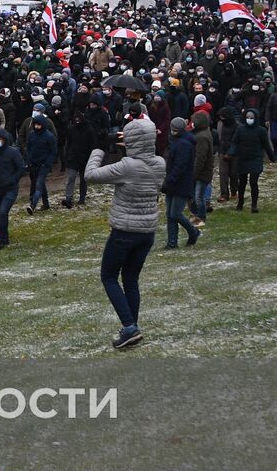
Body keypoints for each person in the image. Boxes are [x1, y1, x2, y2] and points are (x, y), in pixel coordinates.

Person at [84, 117, 165, 350]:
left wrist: (99, 149)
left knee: (108, 276)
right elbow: (139, 162)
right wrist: (127, 147)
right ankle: (133, 328)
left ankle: (129, 326)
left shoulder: (127, 167)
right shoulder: (159, 163)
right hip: (147, 231)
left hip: (124, 230)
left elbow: (91, 175)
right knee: (130, 278)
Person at [162, 117, 201, 249]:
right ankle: (172, 242)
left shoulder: (184, 144)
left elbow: (180, 165)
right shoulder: (177, 140)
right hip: (173, 181)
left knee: (175, 213)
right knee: (169, 214)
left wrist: (170, 180)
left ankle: (194, 231)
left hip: (181, 183)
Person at [227, 108, 275, 212]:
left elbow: (266, 145)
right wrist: (231, 152)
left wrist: (272, 157)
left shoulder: (261, 131)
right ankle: (240, 203)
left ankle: (254, 205)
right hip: (243, 158)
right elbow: (234, 142)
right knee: (242, 183)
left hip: (255, 158)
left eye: (251, 118)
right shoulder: (240, 129)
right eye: (247, 117)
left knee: (254, 182)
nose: (249, 119)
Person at [0, 130, 26, 250]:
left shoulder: (13, 153)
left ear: (5, 140)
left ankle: (2, 239)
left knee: (3, 212)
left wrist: (13, 180)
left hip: (10, 188)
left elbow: (21, 167)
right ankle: (3, 233)